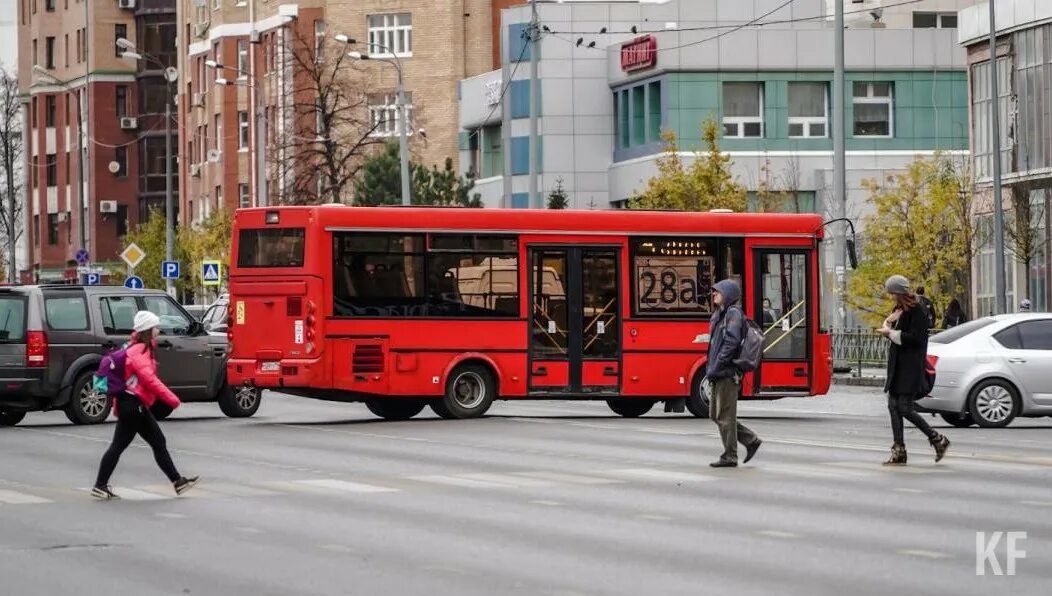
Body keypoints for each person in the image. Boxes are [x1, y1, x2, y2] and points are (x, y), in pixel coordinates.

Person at [92, 311, 199, 500]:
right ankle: (100, 485)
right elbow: (150, 380)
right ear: (149, 331)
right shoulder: (139, 351)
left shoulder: (138, 348)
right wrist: (172, 399)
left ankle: (178, 482)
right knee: (127, 445)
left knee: (156, 442)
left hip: (133, 404)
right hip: (132, 405)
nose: (159, 330)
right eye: (156, 327)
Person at [877, 275, 950, 466]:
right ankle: (899, 450)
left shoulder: (917, 310)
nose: (891, 296)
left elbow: (916, 338)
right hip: (898, 366)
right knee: (893, 406)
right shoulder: (900, 309)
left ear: (899, 292)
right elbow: (897, 334)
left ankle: (937, 439)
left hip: (910, 367)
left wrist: (891, 333)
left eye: (892, 293)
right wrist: (890, 326)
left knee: (905, 408)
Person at [704, 279, 762, 468]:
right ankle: (751, 440)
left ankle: (730, 456)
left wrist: (718, 363)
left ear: (728, 294)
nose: (714, 294)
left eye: (718, 291)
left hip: (727, 373)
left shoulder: (733, 314)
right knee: (715, 415)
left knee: (724, 415)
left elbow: (731, 342)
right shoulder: (719, 314)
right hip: (717, 371)